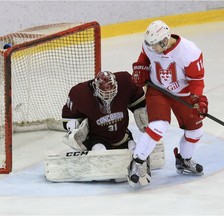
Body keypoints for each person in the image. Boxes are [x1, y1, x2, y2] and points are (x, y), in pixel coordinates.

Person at [128, 20, 208, 186]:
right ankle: (137, 162)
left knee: (196, 132)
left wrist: (196, 98)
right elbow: (144, 57)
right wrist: (140, 68)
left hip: (183, 94)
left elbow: (197, 80)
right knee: (158, 126)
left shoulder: (189, 52)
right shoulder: (150, 45)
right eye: (149, 45)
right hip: (158, 90)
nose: (152, 49)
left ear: (165, 41)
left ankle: (184, 161)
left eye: (155, 45)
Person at [62, 70, 148, 152]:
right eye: (105, 93)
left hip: (121, 135)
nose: (109, 95)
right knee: (99, 150)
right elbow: (69, 116)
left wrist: (141, 111)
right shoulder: (80, 93)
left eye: (112, 91)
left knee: (132, 148)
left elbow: (138, 101)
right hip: (97, 138)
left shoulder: (125, 81)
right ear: (96, 88)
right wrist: (73, 128)